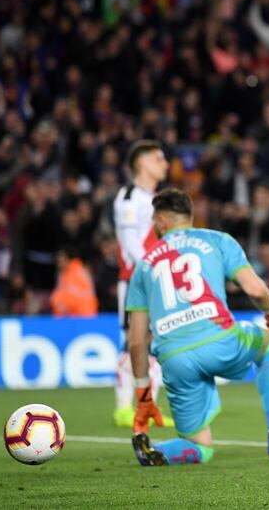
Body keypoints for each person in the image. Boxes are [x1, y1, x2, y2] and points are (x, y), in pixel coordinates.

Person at [126, 188, 269, 465]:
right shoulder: (217, 240)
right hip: (220, 341)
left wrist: (143, 397)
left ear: (163, 221)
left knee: (201, 447)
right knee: (268, 344)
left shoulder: (143, 266)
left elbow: (137, 341)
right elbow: (254, 287)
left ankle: (158, 451)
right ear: (189, 217)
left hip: (174, 358)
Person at [112, 140, 174, 428]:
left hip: (157, 279)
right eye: (159, 159)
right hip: (135, 281)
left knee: (155, 343)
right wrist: (154, 268)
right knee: (132, 343)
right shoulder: (128, 197)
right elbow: (130, 245)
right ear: (143, 162)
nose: (166, 164)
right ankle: (124, 408)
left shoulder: (158, 198)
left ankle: (147, 405)